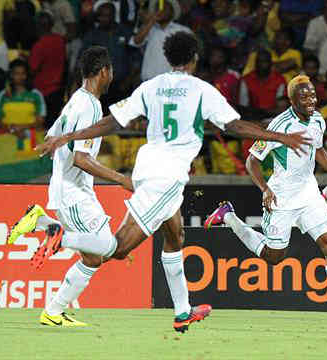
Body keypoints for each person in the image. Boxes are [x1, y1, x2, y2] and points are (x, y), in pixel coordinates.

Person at [27, 31, 311, 333]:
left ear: (168, 58)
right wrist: (279, 136)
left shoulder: (152, 87)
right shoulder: (201, 89)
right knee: (119, 247)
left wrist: (69, 136)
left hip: (151, 168)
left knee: (175, 236)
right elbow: (235, 126)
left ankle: (182, 311)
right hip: (167, 178)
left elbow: (113, 121)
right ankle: (58, 235)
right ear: (194, 58)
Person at [204, 75, 327, 324]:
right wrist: (265, 189)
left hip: (309, 193)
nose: (311, 100)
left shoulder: (318, 120)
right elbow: (252, 161)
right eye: (304, 96)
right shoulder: (279, 126)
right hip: (281, 197)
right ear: (292, 100)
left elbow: (319, 150)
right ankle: (229, 216)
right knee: (274, 257)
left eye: (313, 95)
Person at [7, 46, 131, 327]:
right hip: (75, 193)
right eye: (110, 70)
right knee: (107, 246)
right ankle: (54, 234)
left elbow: (52, 139)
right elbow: (82, 160)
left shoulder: (76, 99)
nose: (111, 75)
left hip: (67, 190)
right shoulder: (90, 106)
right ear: (104, 72)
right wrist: (123, 179)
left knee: (92, 258)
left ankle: (53, 311)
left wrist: (51, 145)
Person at [131, 0, 191, 81]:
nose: (161, 10)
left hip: (172, 83)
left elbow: (191, 58)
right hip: (149, 82)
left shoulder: (183, 31)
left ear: (172, 12)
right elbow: (136, 42)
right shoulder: (149, 29)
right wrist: (152, 20)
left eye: (165, 8)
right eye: (158, 8)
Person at [0, 59, 47, 150]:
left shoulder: (36, 95)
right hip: (6, 139)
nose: (20, 77)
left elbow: (40, 121)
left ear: (27, 75)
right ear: (11, 75)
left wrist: (21, 128)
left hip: (30, 139)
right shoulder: (3, 95)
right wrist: (12, 130)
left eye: (23, 73)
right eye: (16, 73)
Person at [30, 11, 66, 130]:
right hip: (58, 90)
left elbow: (32, 69)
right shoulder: (60, 41)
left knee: (45, 128)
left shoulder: (39, 45)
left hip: (43, 92)